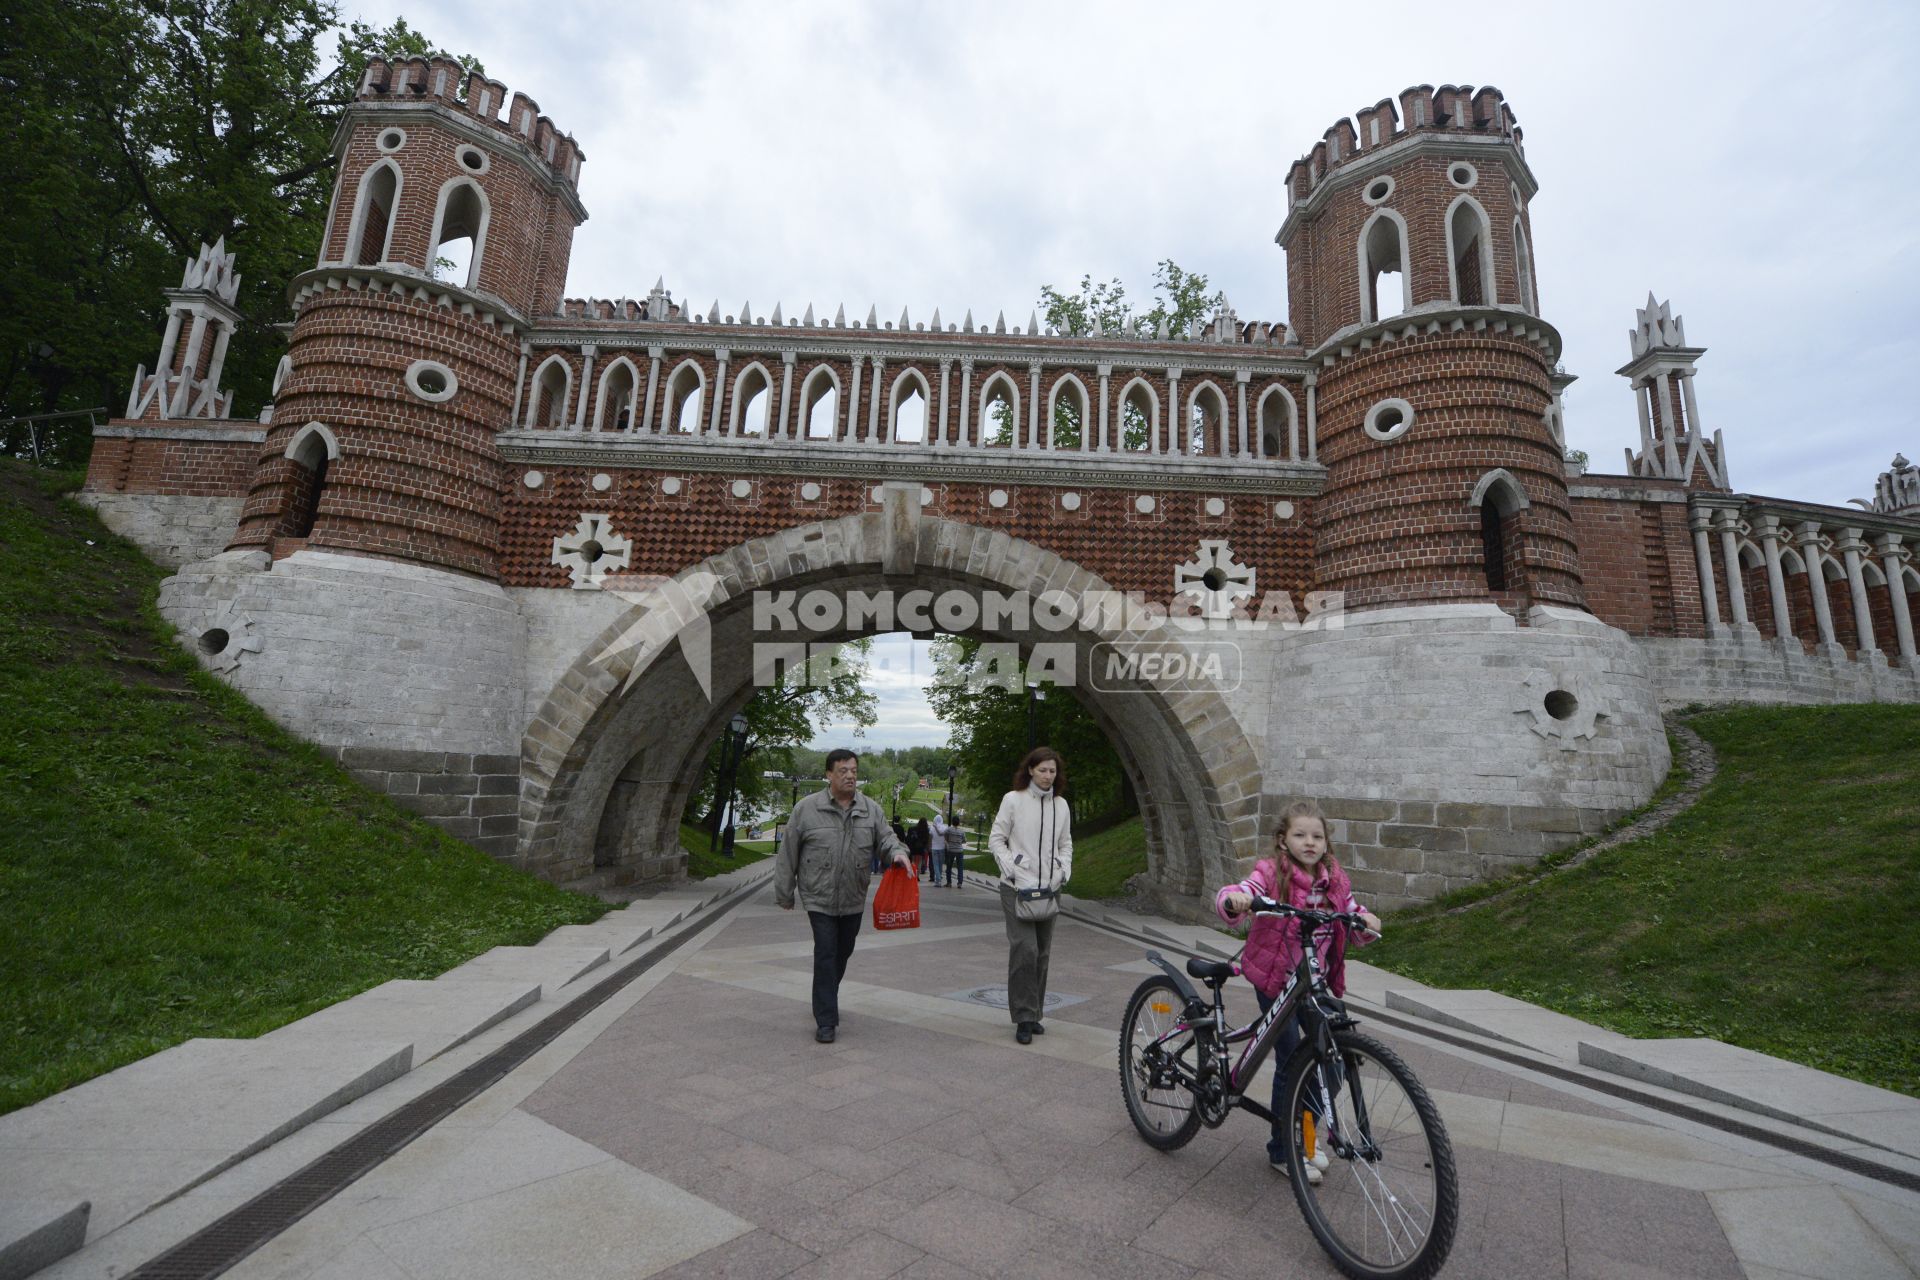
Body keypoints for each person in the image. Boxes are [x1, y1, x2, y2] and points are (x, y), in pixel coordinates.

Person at [1216, 799, 1382, 1181]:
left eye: (1317, 836)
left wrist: (1365, 920)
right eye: (1300, 835)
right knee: (1291, 1062)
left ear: (1326, 842)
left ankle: (1305, 1136)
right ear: (1282, 839)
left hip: (1314, 983)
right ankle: (1282, 1148)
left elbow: (1352, 916)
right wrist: (1236, 900)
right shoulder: (1273, 873)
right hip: (1276, 981)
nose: (1310, 842)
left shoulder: (1335, 880)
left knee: (1335, 1059)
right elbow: (1243, 890)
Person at [774, 749, 910, 1043]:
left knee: (842, 952)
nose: (850, 776)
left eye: (854, 771)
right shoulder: (806, 809)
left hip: (853, 896)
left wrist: (897, 854)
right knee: (825, 952)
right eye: (843, 771)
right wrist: (785, 893)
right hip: (818, 896)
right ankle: (826, 1020)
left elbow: (887, 838)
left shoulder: (870, 809)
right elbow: (788, 853)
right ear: (828, 775)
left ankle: (825, 994)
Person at [989, 747, 1073, 1045]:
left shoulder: (1061, 805)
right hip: (1016, 889)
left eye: (1052, 771)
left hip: (1049, 889)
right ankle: (1023, 1017)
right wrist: (1012, 868)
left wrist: (1062, 871)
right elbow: (996, 838)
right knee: (1024, 950)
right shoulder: (1013, 800)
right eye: (1042, 770)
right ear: (1030, 770)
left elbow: (1066, 844)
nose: (1048, 776)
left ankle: (1035, 1012)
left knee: (1042, 953)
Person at [909, 817, 934, 882]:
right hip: (921, 848)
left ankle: (913, 874)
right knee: (919, 862)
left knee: (913, 861)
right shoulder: (926, 830)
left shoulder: (914, 829)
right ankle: (917, 876)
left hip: (913, 847)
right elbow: (926, 840)